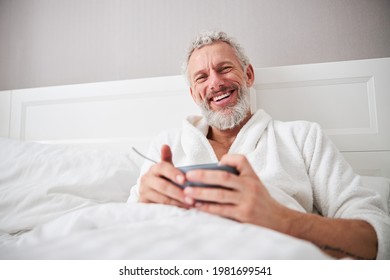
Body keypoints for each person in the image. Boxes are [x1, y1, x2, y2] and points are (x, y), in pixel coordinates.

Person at [129, 30, 389, 259]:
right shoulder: (166, 146)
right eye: (201, 77)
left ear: (249, 74)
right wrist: (144, 204)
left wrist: (281, 219)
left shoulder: (303, 137)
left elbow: (375, 238)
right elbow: (125, 225)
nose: (215, 83)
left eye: (224, 69)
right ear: (193, 94)